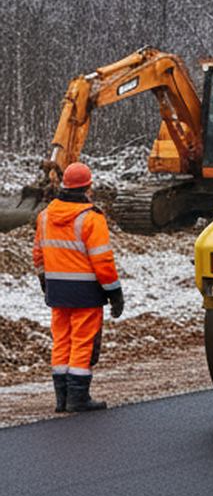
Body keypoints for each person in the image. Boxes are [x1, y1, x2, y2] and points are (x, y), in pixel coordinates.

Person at [31, 161, 123, 413]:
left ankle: (61, 398)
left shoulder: (45, 215)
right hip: (86, 293)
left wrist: (44, 280)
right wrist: (114, 293)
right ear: (88, 188)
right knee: (83, 342)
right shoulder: (90, 218)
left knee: (61, 340)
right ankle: (78, 398)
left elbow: (38, 254)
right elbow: (102, 260)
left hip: (57, 291)